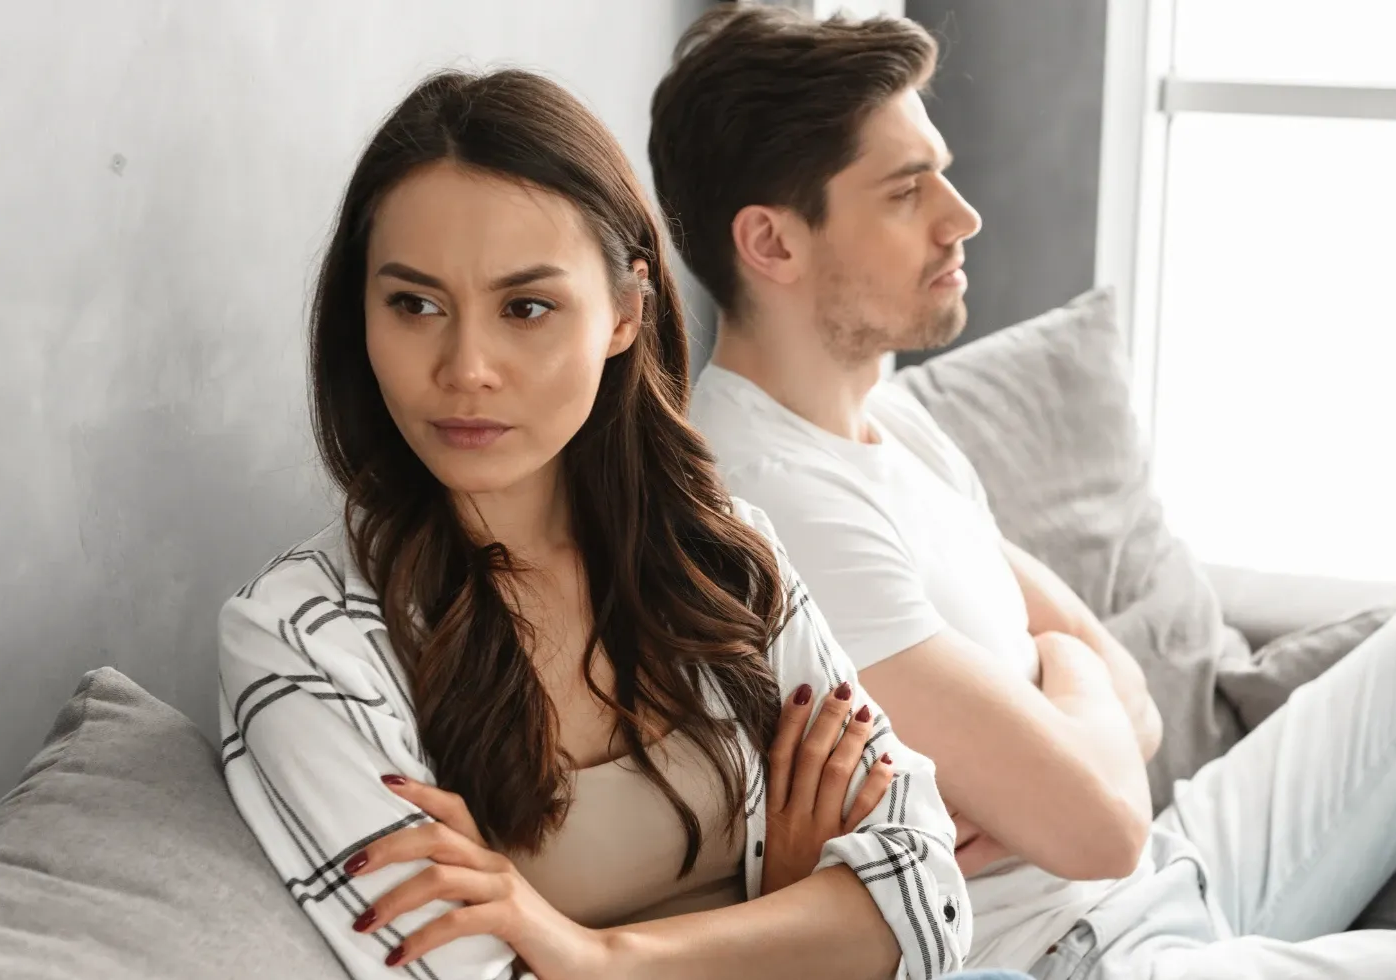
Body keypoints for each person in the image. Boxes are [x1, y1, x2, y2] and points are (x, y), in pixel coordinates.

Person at [650, 6, 1396, 978]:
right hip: (1085, 952)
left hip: (1165, 870)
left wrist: (1060, 710)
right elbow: (1099, 814)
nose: (963, 217)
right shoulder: (777, 505)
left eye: (946, 176)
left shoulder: (891, 416)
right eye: (906, 190)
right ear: (772, 241)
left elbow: (1118, 687)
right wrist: (1068, 736)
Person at [217, 68, 977, 980]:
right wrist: (783, 922)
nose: (466, 368)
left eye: (526, 307)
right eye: (414, 304)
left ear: (624, 314)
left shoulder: (724, 555)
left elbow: (930, 899)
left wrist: (596, 954)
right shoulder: (304, 640)